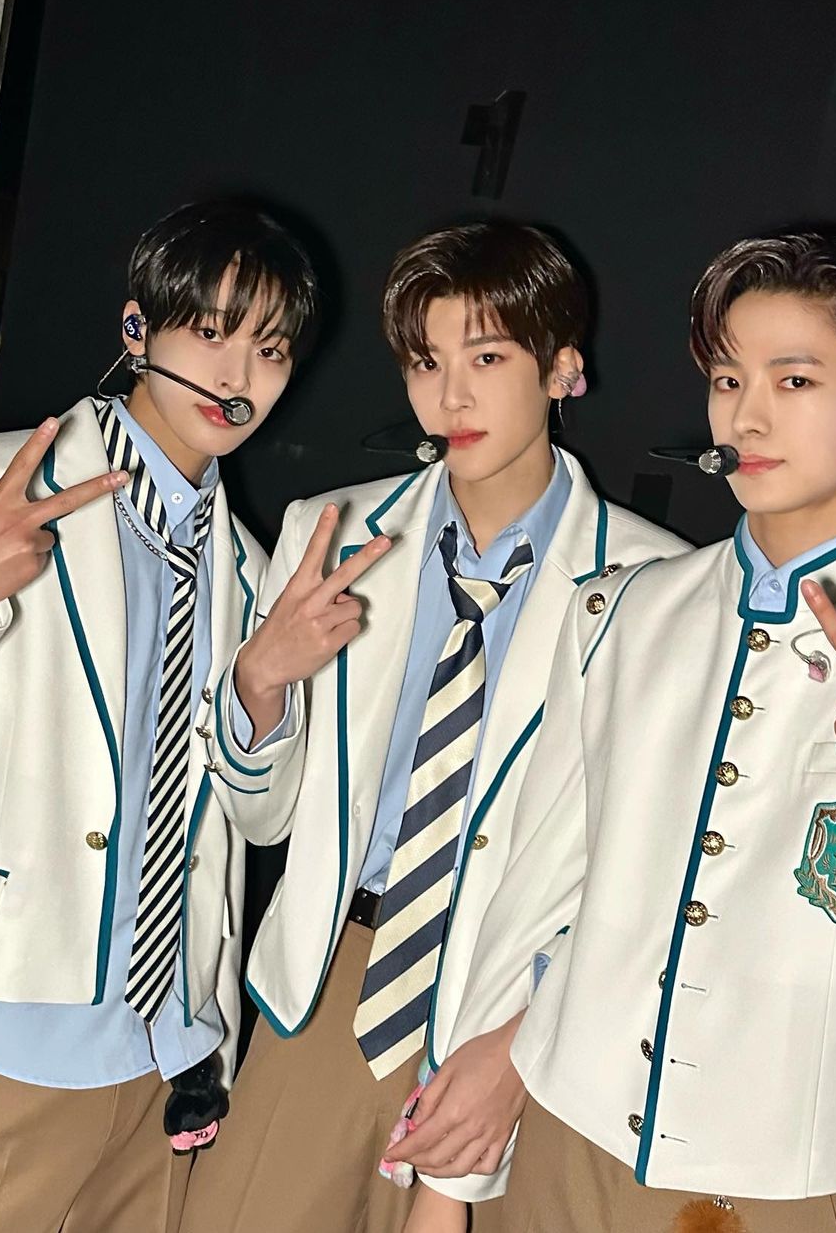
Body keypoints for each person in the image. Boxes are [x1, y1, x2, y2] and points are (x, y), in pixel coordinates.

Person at [437, 231, 836, 1233]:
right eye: (729, 379)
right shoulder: (618, 612)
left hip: (782, 1189)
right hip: (561, 1148)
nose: (747, 414)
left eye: (796, 380)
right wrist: (455, 1184)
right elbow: (535, 898)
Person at [180, 219, 689, 1233]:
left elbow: (650, 861)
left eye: (486, 358)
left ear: (564, 368)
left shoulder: (659, 586)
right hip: (338, 982)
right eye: (425, 362)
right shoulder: (329, 537)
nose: (450, 396)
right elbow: (264, 815)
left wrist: (524, 1035)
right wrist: (260, 682)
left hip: (529, 1011)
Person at [0, 198, 338, 1233]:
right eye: (213, 332)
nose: (239, 377)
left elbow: (264, 822)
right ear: (138, 328)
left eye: (271, 349)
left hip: (163, 1070)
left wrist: (260, 694)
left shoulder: (254, 569)